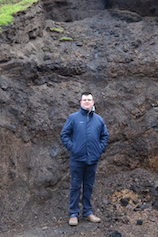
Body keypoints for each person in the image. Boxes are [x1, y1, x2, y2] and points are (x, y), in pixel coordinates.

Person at [60, 92, 110, 226]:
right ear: (80, 102)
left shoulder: (99, 120)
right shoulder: (74, 118)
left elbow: (105, 136)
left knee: (88, 186)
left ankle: (88, 212)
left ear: (93, 102)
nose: (87, 102)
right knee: (75, 186)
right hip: (77, 159)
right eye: (84, 100)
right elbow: (64, 134)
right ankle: (73, 214)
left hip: (92, 159)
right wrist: (73, 147)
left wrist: (99, 149)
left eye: (89, 99)